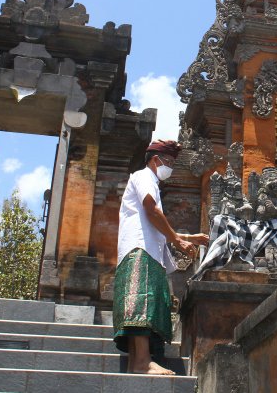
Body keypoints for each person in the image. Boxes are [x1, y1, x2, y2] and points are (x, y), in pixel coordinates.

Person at [113, 139, 209, 375]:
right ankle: (143, 362)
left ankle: (138, 361)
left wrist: (188, 237)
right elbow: (151, 210)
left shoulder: (150, 182)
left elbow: (153, 226)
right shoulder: (144, 176)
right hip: (140, 251)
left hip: (145, 250)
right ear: (156, 160)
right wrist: (177, 240)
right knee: (141, 303)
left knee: (146, 303)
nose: (171, 168)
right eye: (169, 162)